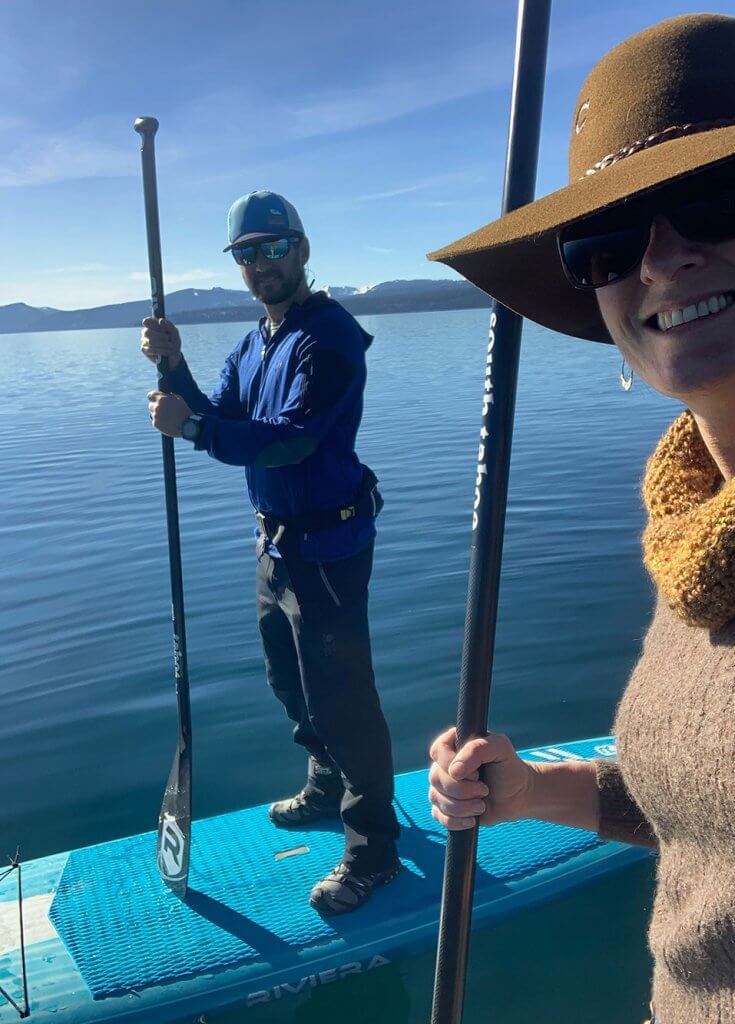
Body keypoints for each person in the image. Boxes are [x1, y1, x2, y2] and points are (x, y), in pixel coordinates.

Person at [427, 13, 735, 1024]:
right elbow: (717, 810)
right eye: (607, 245)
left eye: (718, 198)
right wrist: (537, 791)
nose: (660, 261)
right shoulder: (704, 537)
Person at [141, 190, 400, 914]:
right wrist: (176, 365)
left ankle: (373, 850)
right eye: (246, 253)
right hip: (276, 547)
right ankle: (324, 785)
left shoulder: (331, 337)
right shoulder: (255, 341)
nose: (261, 264)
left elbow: (290, 436)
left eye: (273, 248)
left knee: (343, 700)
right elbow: (224, 414)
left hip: (330, 549)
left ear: (303, 250)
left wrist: (191, 431)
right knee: (287, 680)